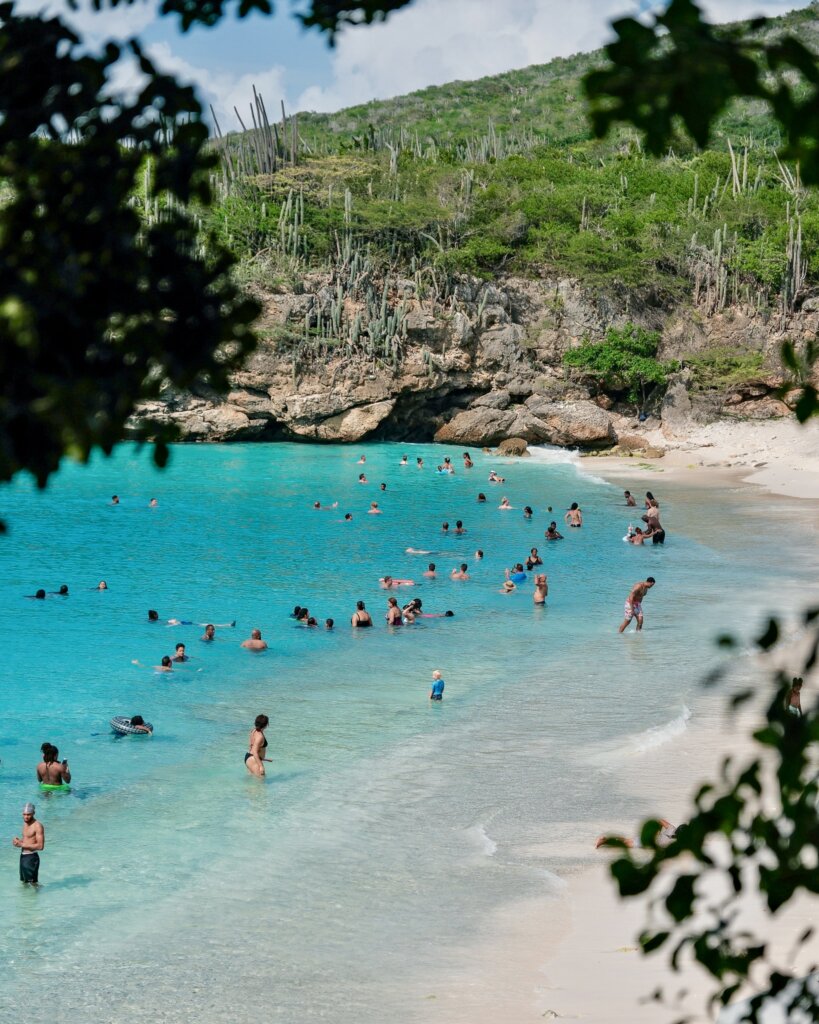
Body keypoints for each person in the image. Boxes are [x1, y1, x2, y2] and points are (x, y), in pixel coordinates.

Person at [13, 803, 44, 884]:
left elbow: (40, 846)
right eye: (24, 814)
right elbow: (27, 840)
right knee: (24, 883)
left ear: (33, 813)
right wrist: (18, 842)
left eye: (28, 815)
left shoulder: (37, 826)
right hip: (23, 856)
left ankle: (37, 895)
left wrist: (22, 844)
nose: (26, 817)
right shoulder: (25, 823)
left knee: (33, 884)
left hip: (31, 858)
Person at [596, 819, 677, 850]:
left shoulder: (672, 829)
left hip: (648, 836)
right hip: (647, 841)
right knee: (625, 844)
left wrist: (657, 830)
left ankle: (605, 839)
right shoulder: (675, 842)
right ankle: (604, 841)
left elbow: (659, 820)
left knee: (626, 840)